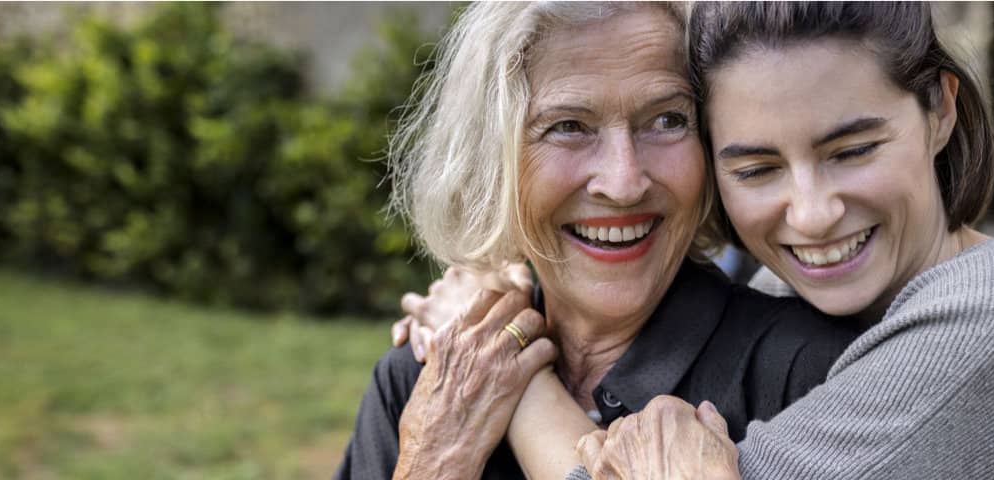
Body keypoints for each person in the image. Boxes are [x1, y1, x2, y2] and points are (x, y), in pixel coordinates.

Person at [394, 3, 994, 479]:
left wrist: (506, 362)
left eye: (852, 149)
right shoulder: (781, 301)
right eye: (758, 167)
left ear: (939, 108)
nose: (812, 213)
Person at [336, 2, 860, 479]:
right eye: (568, 126)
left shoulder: (812, 374)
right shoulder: (426, 381)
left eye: (667, 119)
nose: (624, 181)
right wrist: (432, 463)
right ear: (491, 159)